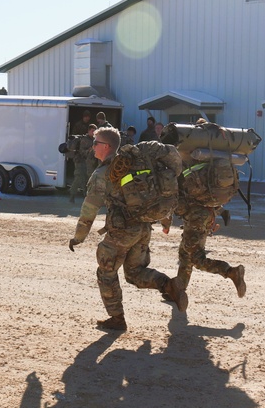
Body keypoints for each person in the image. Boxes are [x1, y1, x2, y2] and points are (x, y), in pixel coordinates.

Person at [68, 126, 186, 331]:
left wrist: (79, 237)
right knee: (134, 273)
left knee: (106, 272)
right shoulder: (134, 165)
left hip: (122, 230)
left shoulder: (102, 173)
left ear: (106, 146)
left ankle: (117, 318)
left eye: (95, 143)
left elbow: (89, 209)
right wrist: (166, 220)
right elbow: (154, 192)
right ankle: (169, 286)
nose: (92, 148)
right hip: (142, 228)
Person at [165, 120, 246, 300]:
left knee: (196, 258)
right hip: (207, 210)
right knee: (185, 253)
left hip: (196, 214)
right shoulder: (213, 160)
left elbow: (179, 188)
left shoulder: (191, 159)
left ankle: (231, 272)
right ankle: (178, 289)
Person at [68, 124, 97, 203]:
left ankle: (86, 197)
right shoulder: (85, 140)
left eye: (95, 131)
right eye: (92, 131)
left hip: (89, 163)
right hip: (81, 162)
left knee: (88, 180)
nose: (94, 132)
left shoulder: (94, 140)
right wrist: (90, 150)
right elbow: (82, 152)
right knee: (78, 178)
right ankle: (72, 195)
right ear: (88, 131)